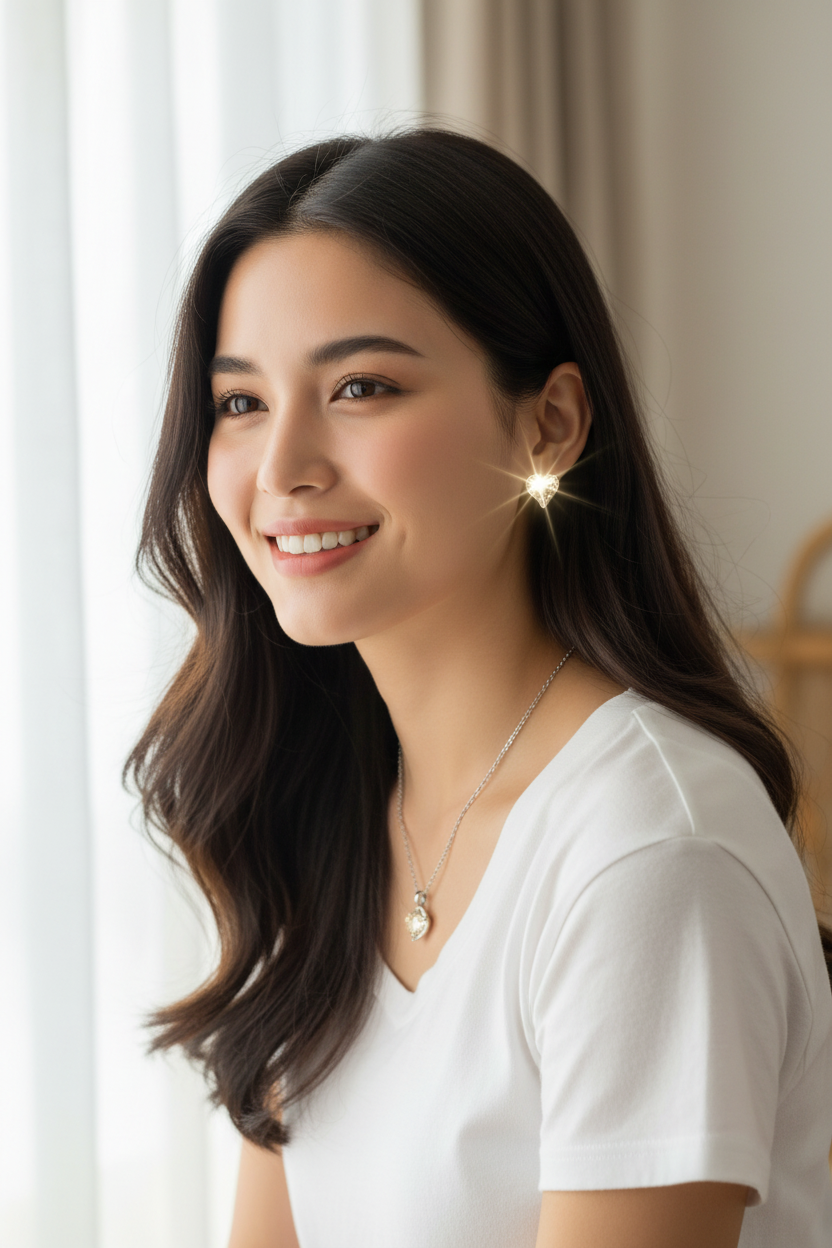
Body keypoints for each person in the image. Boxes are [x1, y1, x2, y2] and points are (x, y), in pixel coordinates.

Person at [126, 130, 832, 1248]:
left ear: (548, 421)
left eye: (360, 387)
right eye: (241, 403)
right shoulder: (334, 814)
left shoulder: (648, 854)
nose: (281, 469)